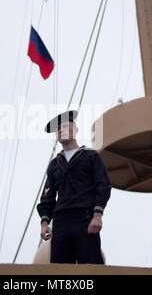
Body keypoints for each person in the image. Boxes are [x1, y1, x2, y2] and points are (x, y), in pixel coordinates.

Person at [37, 110, 112, 264]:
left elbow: (103, 185)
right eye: (57, 129)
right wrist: (45, 223)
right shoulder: (54, 164)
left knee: (91, 265)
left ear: (76, 129)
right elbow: (47, 196)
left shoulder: (91, 156)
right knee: (60, 269)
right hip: (60, 223)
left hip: (85, 218)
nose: (60, 130)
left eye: (65, 126)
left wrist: (97, 215)